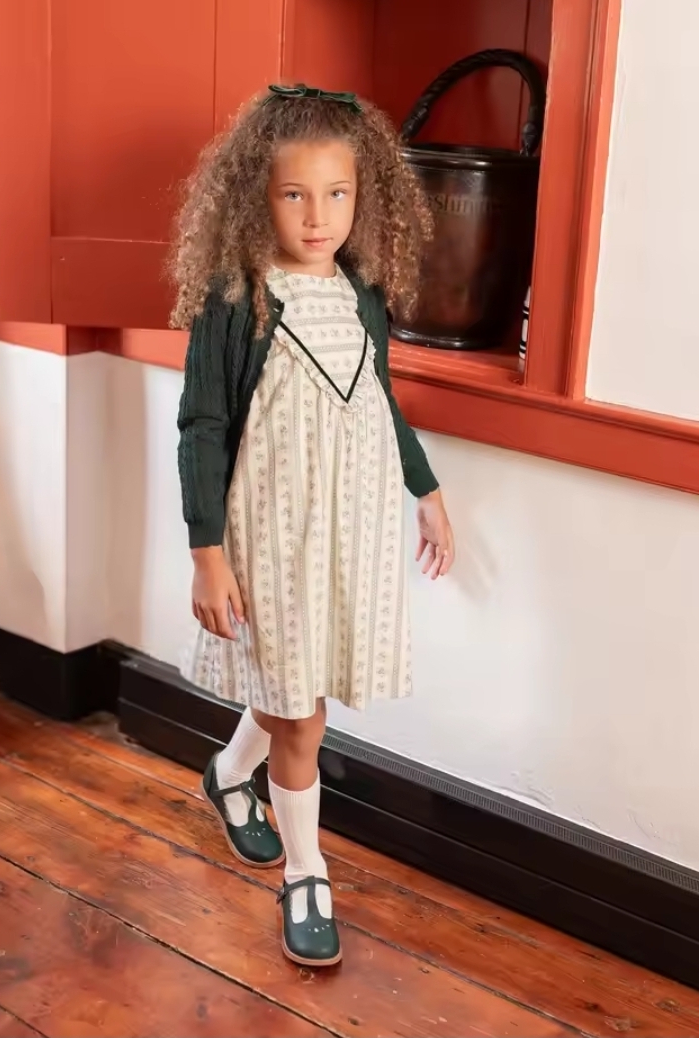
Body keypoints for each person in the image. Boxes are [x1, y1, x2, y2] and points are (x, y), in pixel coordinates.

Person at [170, 83, 455, 967]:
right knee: (303, 714)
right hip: (274, 538)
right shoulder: (237, 297)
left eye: (337, 193)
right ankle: (306, 873)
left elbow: (380, 397)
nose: (318, 215)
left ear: (364, 193)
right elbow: (203, 427)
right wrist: (207, 554)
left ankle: (228, 774)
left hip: (352, 533)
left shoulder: (360, 291)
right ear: (255, 194)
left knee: (297, 684)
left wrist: (426, 489)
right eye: (294, 194)